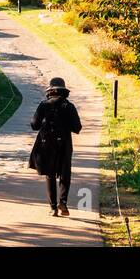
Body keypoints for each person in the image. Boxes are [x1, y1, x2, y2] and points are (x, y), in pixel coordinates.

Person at [28, 76, 82, 216]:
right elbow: (77, 127)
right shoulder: (69, 106)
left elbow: (34, 125)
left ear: (50, 90)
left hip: (46, 144)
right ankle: (63, 202)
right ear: (64, 91)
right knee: (65, 174)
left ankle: (53, 208)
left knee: (50, 174)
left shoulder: (44, 105)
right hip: (64, 143)